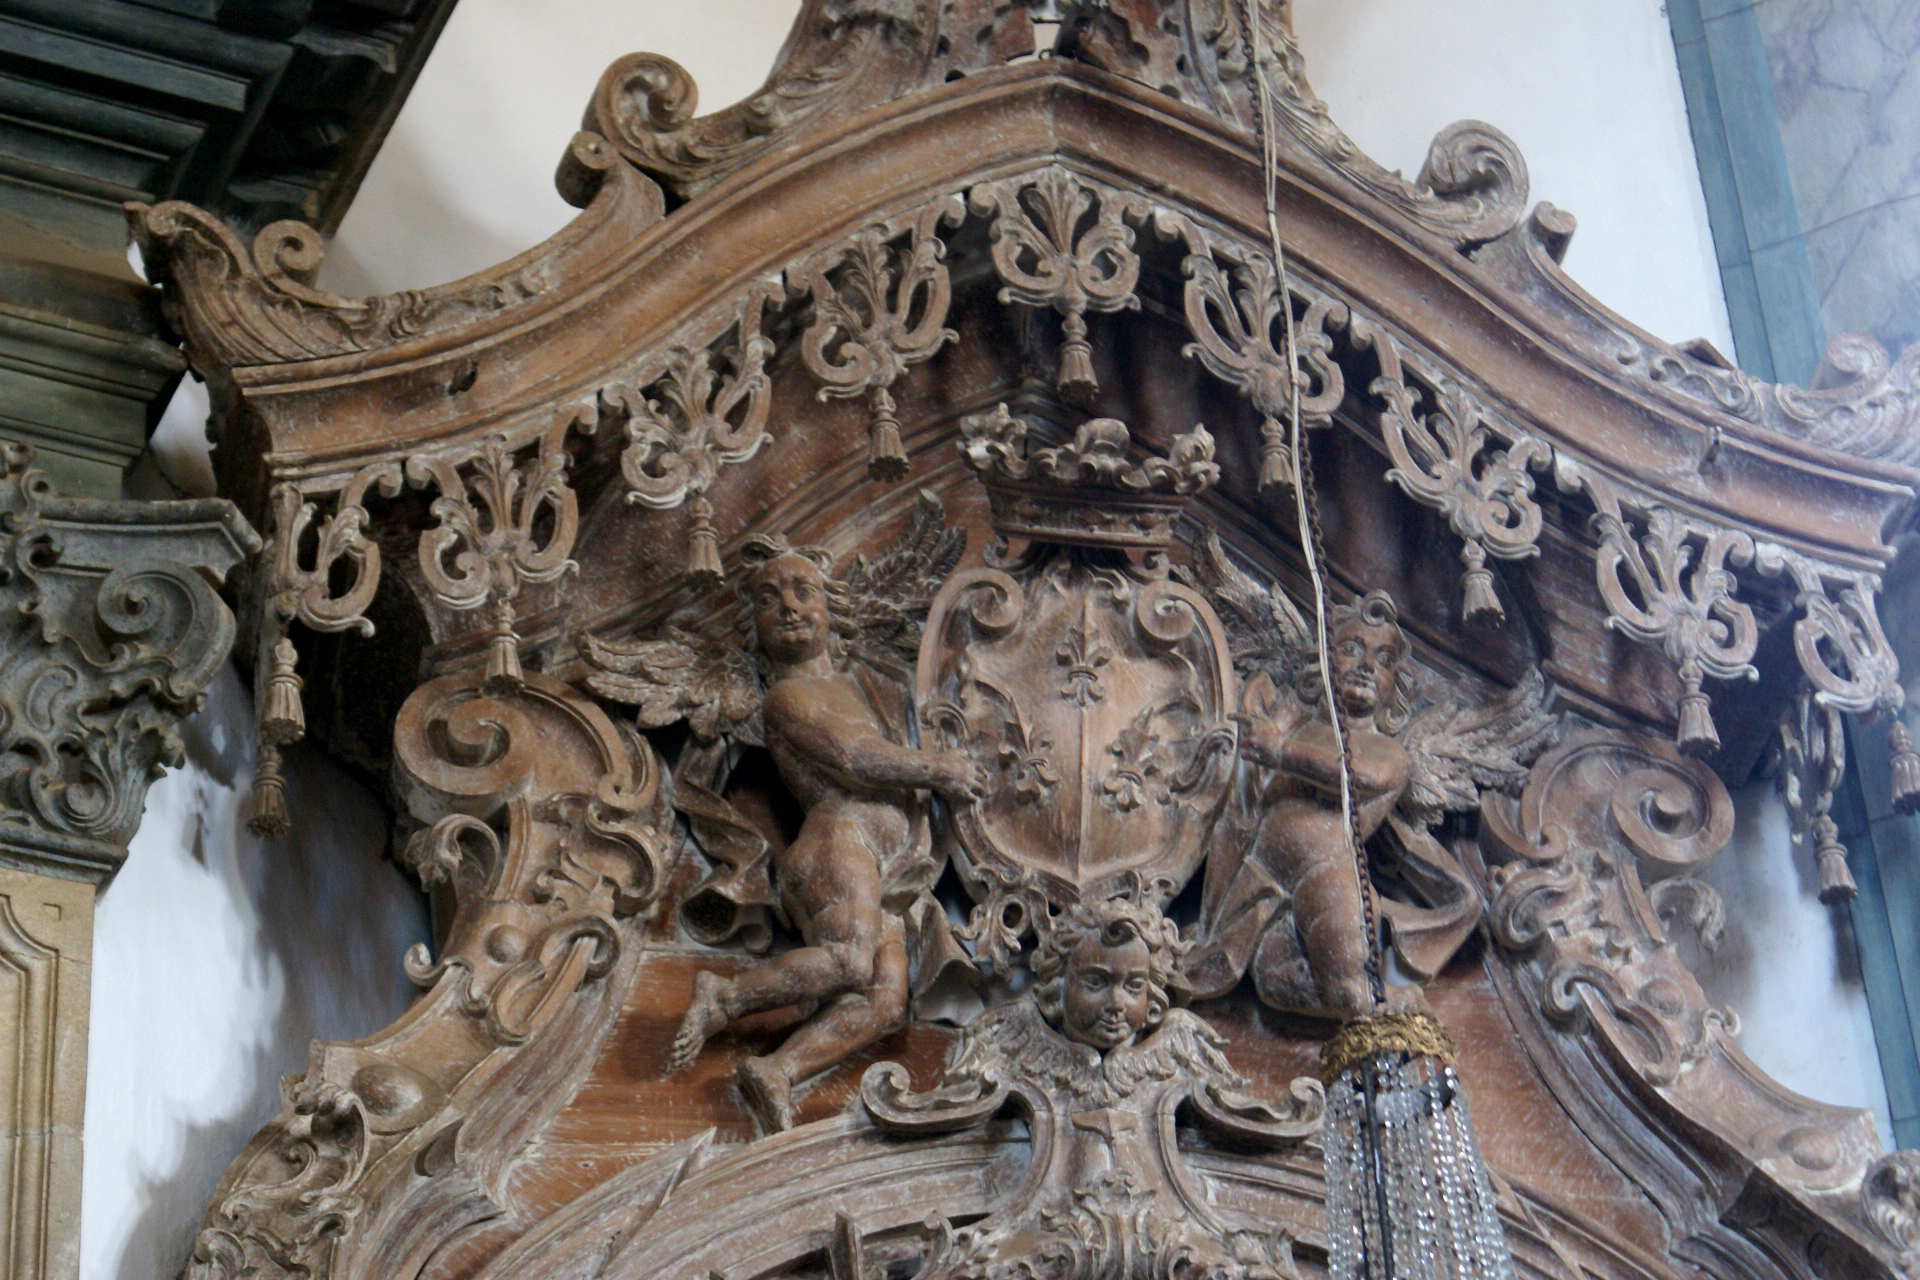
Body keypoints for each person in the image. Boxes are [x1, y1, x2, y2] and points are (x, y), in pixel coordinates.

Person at [669, 535, 985, 1131]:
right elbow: (852, 757)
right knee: (848, 962)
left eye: (803, 591)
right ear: (754, 627)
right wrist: (940, 770)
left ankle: (778, 1070)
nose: (789, 607)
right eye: (769, 599)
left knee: (885, 1003)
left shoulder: (865, 684)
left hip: (885, 872)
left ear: (831, 609)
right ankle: (723, 997)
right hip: (839, 847)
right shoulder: (788, 696)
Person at [1186, 591, 1412, 1020]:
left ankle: (1405, 1011)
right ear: (1321, 660)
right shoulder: (1294, 724)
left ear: (1394, 687)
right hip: (1262, 883)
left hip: (1328, 876)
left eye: (1384, 660)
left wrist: (1282, 752)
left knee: (1353, 995)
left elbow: (1361, 777)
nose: (1367, 665)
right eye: (1351, 649)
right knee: (1275, 984)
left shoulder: (1386, 750)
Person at [1032, 896, 1188, 1052]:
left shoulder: (1180, 1043)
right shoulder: (1029, 1041)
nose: (1116, 1004)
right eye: (1095, 982)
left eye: (1134, 985)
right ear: (1057, 989)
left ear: (1151, 994)